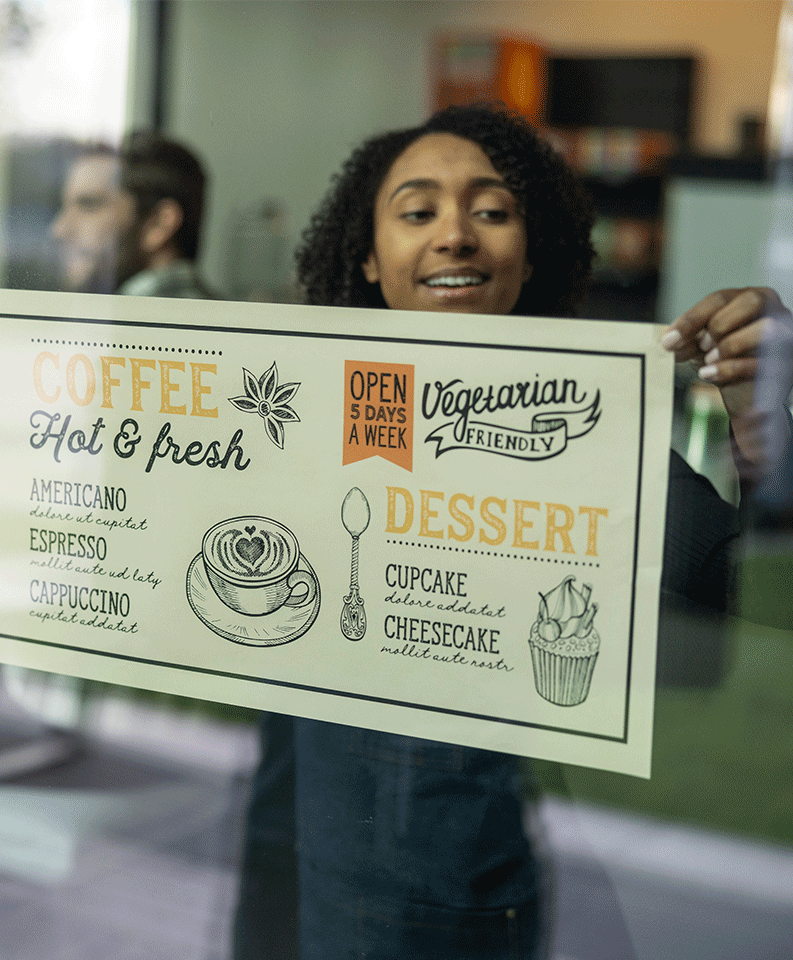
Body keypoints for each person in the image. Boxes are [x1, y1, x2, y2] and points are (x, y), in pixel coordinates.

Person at [231, 103, 793, 960]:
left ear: (530, 258)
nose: (455, 234)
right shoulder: (292, 437)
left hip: (481, 911)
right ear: (369, 260)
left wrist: (767, 442)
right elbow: (275, 752)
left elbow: (732, 631)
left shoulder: (595, 433)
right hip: (320, 893)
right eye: (417, 212)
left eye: (490, 211)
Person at [51, 131, 218, 299]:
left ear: (159, 224)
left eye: (89, 205)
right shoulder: (200, 313)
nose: (58, 230)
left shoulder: (146, 319)